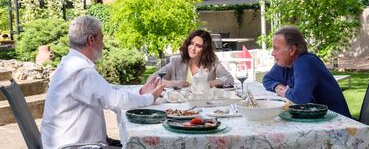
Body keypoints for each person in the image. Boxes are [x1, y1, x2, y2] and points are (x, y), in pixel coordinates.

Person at [41, 16, 165, 149]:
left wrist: (141, 92)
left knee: (137, 144)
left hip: (69, 142)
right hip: (74, 146)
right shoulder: (81, 71)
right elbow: (116, 101)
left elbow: (108, 91)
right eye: (102, 38)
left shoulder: (70, 64)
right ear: (91, 39)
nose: (103, 43)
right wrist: (151, 97)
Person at [262, 26, 351, 117]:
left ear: (292, 50)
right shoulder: (285, 64)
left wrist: (285, 92)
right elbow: (267, 79)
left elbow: (300, 99)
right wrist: (277, 86)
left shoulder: (305, 62)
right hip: (316, 119)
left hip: (336, 122)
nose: (272, 53)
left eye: (276, 48)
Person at [151, 29, 234, 89]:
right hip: (179, 106)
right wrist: (176, 83)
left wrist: (206, 84)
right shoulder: (176, 61)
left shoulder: (212, 63)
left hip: (203, 105)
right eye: (191, 43)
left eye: (198, 46)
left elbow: (229, 79)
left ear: (205, 49)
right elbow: (151, 79)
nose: (192, 48)